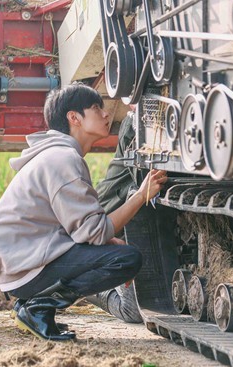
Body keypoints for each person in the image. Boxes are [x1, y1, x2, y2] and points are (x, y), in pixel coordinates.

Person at [0, 82, 167, 340]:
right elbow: (96, 232)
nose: (106, 114)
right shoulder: (63, 159)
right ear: (74, 118)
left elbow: (84, 230)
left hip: (19, 259)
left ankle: (31, 306)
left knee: (115, 250)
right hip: (23, 263)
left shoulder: (58, 155)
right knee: (126, 259)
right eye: (95, 108)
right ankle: (38, 307)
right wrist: (141, 195)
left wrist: (105, 239)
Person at [86, 110, 143, 324]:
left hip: (110, 235)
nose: (106, 114)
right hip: (103, 235)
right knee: (132, 311)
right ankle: (87, 289)